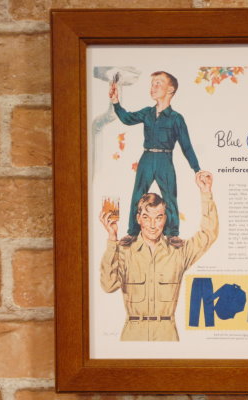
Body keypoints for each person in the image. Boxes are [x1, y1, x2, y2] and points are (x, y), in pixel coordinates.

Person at [99, 172, 218, 341]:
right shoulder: (124, 251)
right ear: (138, 218)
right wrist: (112, 238)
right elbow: (108, 286)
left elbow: (208, 234)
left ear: (165, 219)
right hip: (133, 335)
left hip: (166, 334)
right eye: (146, 217)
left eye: (158, 218)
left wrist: (206, 193)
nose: (153, 225)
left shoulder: (178, 252)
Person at [109, 71, 203, 248]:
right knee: (138, 194)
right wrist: (116, 102)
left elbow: (186, 146)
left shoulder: (176, 118)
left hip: (165, 160)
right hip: (146, 158)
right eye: (152, 84)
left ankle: (172, 234)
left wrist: (197, 169)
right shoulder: (147, 112)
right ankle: (132, 232)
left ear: (171, 89)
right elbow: (127, 119)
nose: (153, 87)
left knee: (169, 196)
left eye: (158, 83)